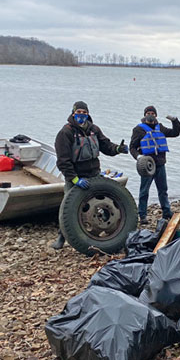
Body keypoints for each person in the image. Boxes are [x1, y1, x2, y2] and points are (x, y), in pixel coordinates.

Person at [51, 101, 129, 249]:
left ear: (88, 114)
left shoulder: (94, 129)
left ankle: (106, 232)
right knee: (68, 208)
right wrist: (74, 179)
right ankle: (61, 237)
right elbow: (63, 161)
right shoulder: (66, 133)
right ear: (73, 113)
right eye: (79, 112)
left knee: (98, 203)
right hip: (75, 176)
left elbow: (106, 146)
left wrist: (118, 149)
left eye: (84, 112)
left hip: (94, 174)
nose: (82, 115)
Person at [129, 105, 180, 225]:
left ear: (156, 115)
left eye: (152, 113)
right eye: (148, 113)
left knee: (163, 190)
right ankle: (142, 215)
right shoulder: (138, 130)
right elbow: (132, 147)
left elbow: (175, 133)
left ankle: (166, 211)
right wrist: (138, 157)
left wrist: (175, 121)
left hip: (160, 164)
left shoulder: (160, 127)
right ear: (144, 115)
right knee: (144, 191)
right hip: (147, 165)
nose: (150, 115)